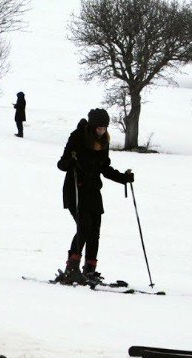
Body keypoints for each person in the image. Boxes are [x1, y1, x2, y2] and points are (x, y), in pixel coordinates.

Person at [55, 108, 133, 285]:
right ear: (91, 126)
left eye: (104, 128)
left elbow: (104, 169)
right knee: (84, 225)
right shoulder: (77, 137)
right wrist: (71, 161)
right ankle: (71, 269)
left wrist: (123, 178)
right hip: (75, 189)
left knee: (94, 230)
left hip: (93, 191)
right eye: (99, 128)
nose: (102, 131)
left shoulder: (103, 142)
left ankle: (89, 270)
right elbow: (61, 164)